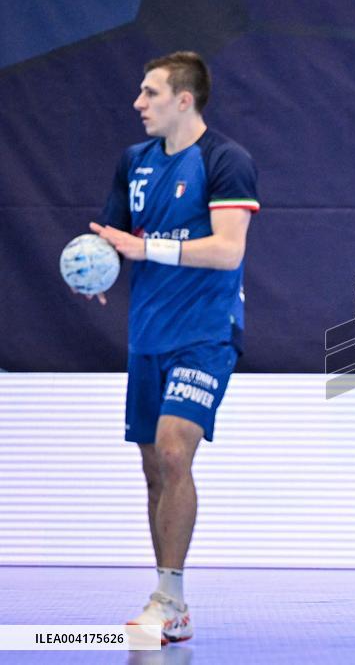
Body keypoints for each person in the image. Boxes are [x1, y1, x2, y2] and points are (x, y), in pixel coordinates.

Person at [85, 51, 260, 643]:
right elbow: (116, 238)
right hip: (147, 337)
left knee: (173, 452)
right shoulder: (131, 162)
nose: (138, 104)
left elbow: (228, 249)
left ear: (184, 100)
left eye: (150, 93)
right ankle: (175, 609)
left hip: (206, 333)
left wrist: (143, 251)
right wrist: (100, 267)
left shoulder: (225, 161)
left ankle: (168, 596)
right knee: (152, 469)